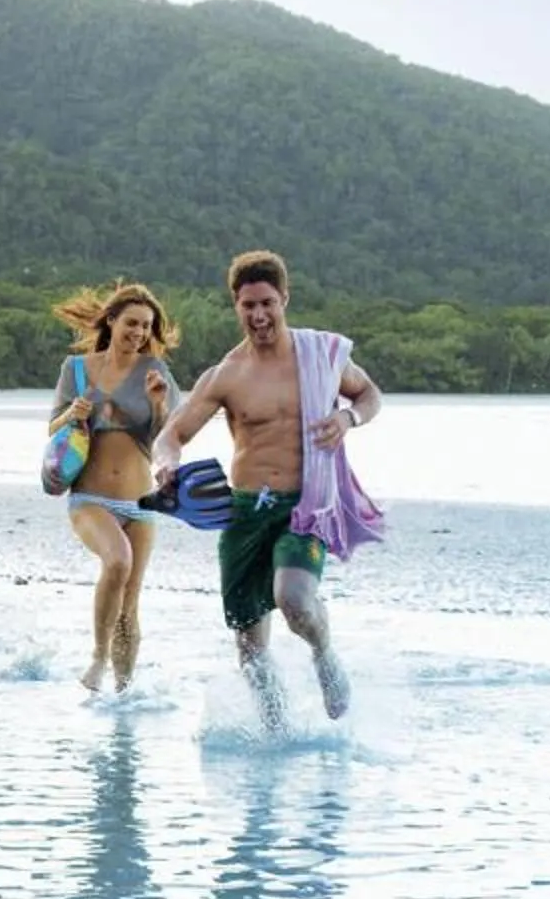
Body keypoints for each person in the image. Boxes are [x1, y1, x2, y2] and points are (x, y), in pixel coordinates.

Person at [151, 250, 382, 722]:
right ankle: (276, 732)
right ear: (236, 306)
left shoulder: (322, 354)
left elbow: (370, 394)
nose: (258, 315)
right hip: (245, 512)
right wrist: (166, 465)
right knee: (248, 642)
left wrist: (347, 416)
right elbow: (171, 434)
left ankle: (324, 654)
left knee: (294, 602)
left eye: (267, 303)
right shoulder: (226, 375)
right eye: (247, 305)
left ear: (284, 300)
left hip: (306, 505)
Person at [47, 282, 181, 692]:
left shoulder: (157, 373)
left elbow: (167, 439)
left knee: (131, 605)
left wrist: (158, 404)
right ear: (111, 320)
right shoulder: (77, 369)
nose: (138, 333)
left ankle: (124, 696)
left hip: (142, 502)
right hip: (90, 498)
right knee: (117, 562)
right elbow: (52, 429)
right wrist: (73, 412)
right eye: (131, 323)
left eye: (146, 326)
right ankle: (98, 660)